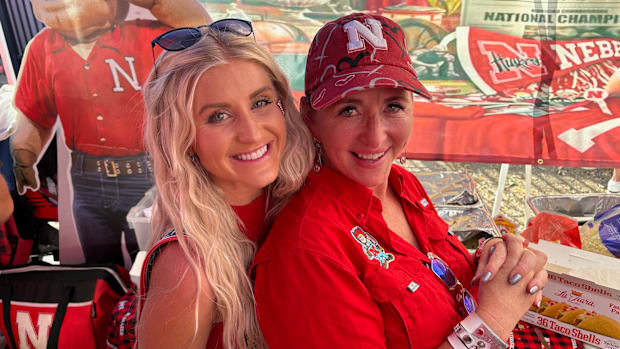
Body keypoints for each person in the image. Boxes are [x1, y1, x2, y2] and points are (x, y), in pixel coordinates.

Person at [252, 13, 548, 349]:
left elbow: (436, 280)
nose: (375, 137)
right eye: (349, 110)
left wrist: (492, 263)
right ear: (311, 119)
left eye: (393, 106)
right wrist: (494, 320)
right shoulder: (307, 253)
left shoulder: (401, 183)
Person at [136, 20, 313, 349]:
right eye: (218, 116)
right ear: (184, 140)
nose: (252, 133)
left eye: (260, 102)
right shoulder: (188, 271)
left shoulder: (304, 197)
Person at [10, 0, 209, 265]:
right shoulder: (41, 48)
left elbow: (203, 31)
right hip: (86, 180)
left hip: (150, 178)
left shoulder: (145, 35)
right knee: (98, 265)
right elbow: (35, 112)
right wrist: (24, 154)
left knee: (155, 263)